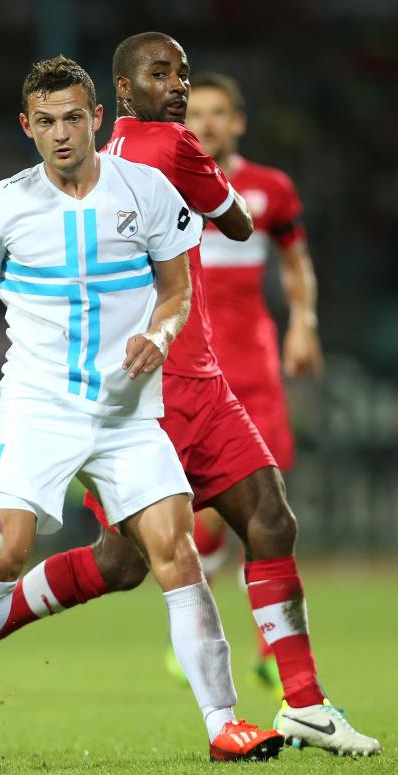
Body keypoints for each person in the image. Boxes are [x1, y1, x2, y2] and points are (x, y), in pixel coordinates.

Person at [0, 34, 381, 758]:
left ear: (95, 115)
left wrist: (263, 323)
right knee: (100, 558)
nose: (179, 93)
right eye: (164, 77)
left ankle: (277, 709)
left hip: (181, 384)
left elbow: (190, 283)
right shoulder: (154, 157)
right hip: (119, 395)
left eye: (188, 80)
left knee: (235, 529)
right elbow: (234, 222)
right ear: (120, 93)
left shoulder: (149, 173)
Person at [175, 71, 324, 693]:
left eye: (218, 113)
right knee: (205, 521)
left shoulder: (270, 191)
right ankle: (201, 631)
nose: (206, 124)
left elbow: (295, 262)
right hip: (194, 372)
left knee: (265, 513)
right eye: (195, 114)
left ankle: (269, 650)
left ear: (238, 122)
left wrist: (303, 324)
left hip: (255, 370)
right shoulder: (167, 191)